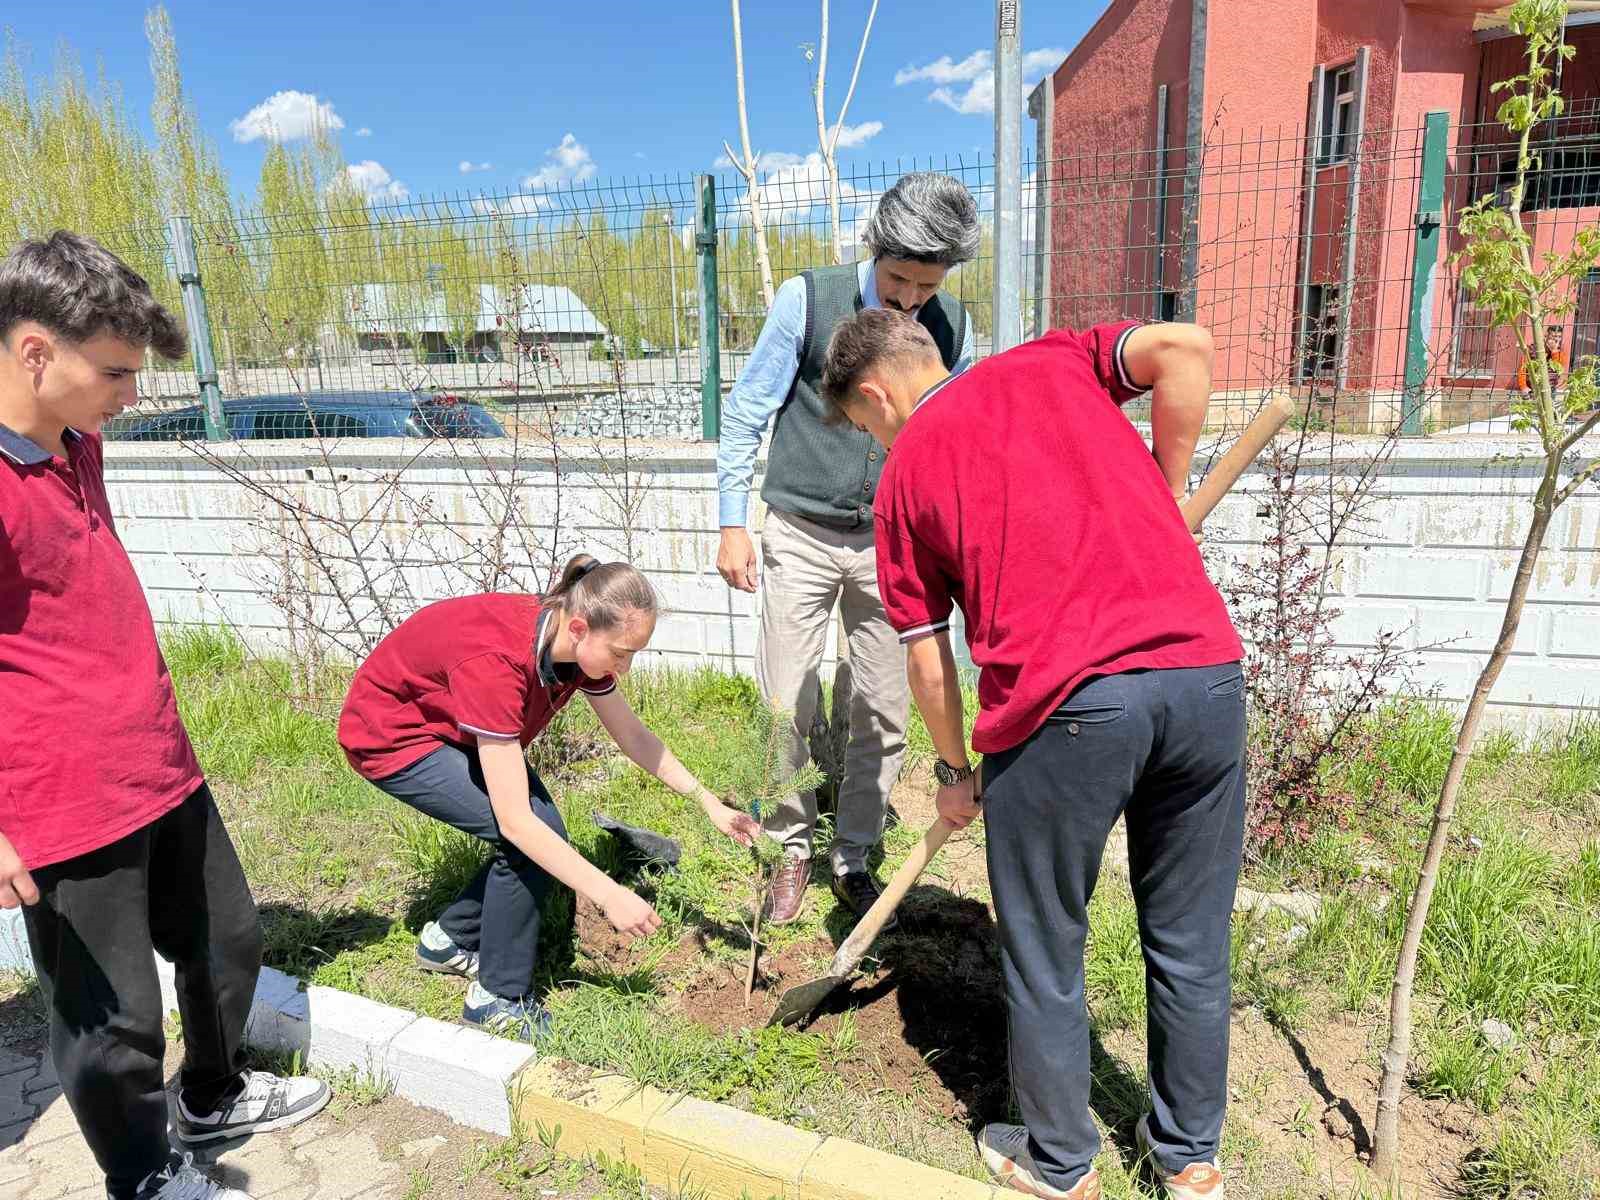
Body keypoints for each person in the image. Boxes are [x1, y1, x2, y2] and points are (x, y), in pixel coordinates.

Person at [821, 308, 1246, 1200]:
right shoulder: (1057, 362)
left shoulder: (904, 482)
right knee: (1193, 943)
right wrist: (1166, 500)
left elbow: (930, 661)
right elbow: (1186, 349)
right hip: (1205, 679)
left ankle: (1059, 1164)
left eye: (867, 427)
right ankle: (1189, 1157)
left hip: (1065, 711)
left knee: (1046, 950)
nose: (876, 441)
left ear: (875, 392)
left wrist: (950, 772)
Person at [0, 232, 330, 1200]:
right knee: (114, 1028)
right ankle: (143, 1176)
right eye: (114, 372)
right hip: (63, 799)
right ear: (32, 354)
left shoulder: (74, 445)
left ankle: (213, 1095)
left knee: (230, 941)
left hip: (158, 764)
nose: (131, 397)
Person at [337, 556, 760, 1036]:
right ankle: (496, 999)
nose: (625, 666)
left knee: (542, 834)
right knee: (528, 838)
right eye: (622, 653)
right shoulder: (496, 663)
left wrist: (708, 801)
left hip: (450, 726)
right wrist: (607, 894)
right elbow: (517, 823)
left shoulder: (572, 646)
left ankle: (449, 940)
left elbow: (633, 736)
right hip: (393, 738)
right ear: (579, 627)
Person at [713, 172, 979, 928]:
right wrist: (733, 520)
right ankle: (790, 846)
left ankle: (853, 855)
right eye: (898, 279)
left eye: (925, 286)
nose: (907, 301)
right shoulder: (808, 298)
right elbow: (745, 413)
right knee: (784, 700)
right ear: (875, 252)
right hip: (797, 531)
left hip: (888, 544)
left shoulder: (950, 324)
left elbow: (943, 441)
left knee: (884, 709)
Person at [1516, 323, 1568, 401]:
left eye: (1559, 337)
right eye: (1553, 336)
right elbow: (1522, 369)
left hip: (1550, 389)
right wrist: (1523, 387)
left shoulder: (1560, 352)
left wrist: (1554, 351)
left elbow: (1558, 370)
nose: (1556, 339)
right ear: (1546, 336)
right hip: (1531, 389)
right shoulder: (1532, 349)